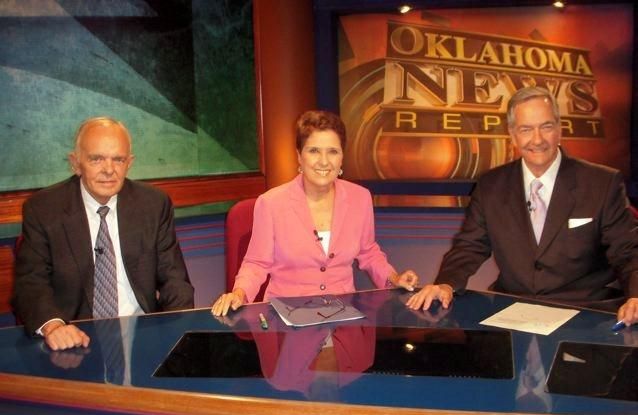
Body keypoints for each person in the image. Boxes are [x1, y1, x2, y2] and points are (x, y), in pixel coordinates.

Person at [406, 86, 638, 326]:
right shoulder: (490, 185)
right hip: (512, 312)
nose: (537, 140)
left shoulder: (602, 183)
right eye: (526, 129)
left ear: (559, 129)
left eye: (546, 127)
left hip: (586, 315)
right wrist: (445, 283)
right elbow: (469, 246)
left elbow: (628, 250)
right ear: (513, 134)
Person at [13, 117, 194, 351]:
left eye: (118, 159)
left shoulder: (154, 204)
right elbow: (31, 282)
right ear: (75, 163)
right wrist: (54, 327)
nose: (109, 170)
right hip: (74, 337)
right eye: (96, 159)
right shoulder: (44, 209)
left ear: (129, 163)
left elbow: (175, 280)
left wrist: (177, 333)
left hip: (144, 336)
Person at [212, 110, 417, 316]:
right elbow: (257, 264)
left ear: (342, 157)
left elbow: (369, 253)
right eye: (314, 151)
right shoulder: (271, 203)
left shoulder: (360, 198)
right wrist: (239, 294)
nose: (324, 161)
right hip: (287, 318)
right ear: (299, 156)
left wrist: (394, 278)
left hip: (342, 315)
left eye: (333, 151)